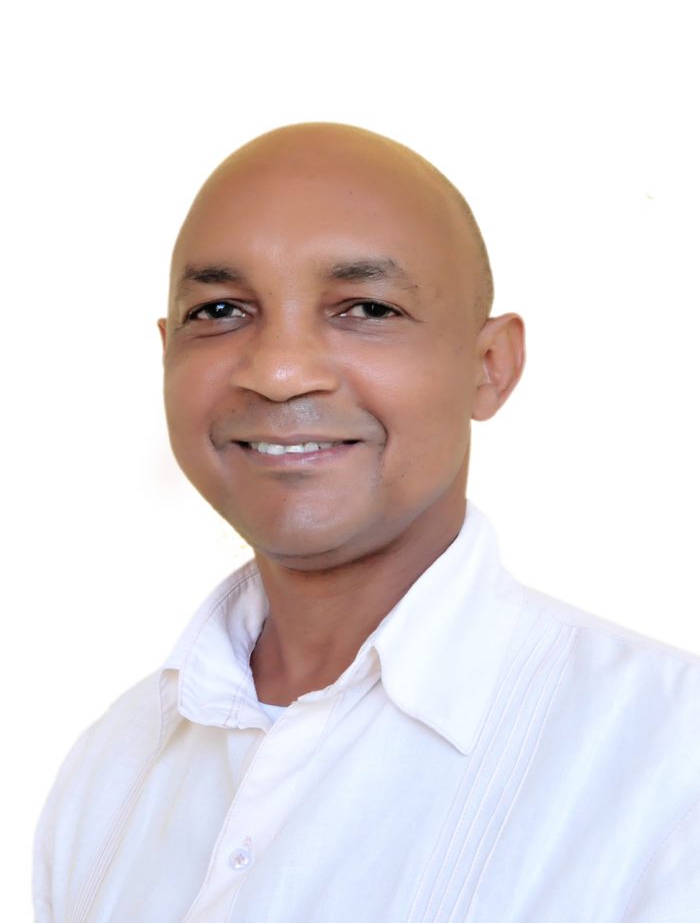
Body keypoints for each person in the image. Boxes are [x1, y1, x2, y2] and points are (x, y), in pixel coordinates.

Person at [34, 124, 700, 922]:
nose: (279, 371)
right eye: (221, 310)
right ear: (167, 353)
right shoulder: (112, 769)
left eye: (367, 308)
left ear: (490, 366)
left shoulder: (670, 759)